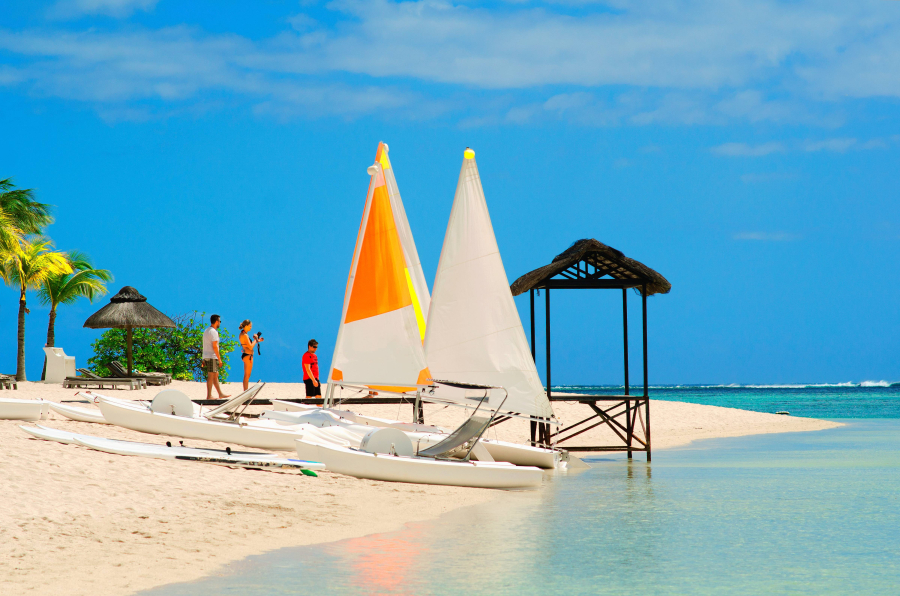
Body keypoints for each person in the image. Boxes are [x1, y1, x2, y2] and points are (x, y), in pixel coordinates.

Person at [203, 314, 230, 400]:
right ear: (216, 322)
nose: (220, 323)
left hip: (206, 355)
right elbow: (215, 346)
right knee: (211, 375)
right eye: (220, 321)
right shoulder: (214, 332)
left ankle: (220, 393)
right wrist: (219, 359)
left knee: (215, 374)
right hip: (212, 356)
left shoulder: (207, 330)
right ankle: (209, 395)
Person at [238, 320, 264, 391]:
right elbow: (250, 346)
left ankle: (245, 391)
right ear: (246, 326)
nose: (251, 327)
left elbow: (248, 345)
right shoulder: (245, 335)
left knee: (247, 375)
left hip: (246, 355)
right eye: (250, 326)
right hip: (248, 356)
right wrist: (256, 339)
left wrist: (257, 340)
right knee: (247, 375)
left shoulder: (242, 334)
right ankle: (245, 391)